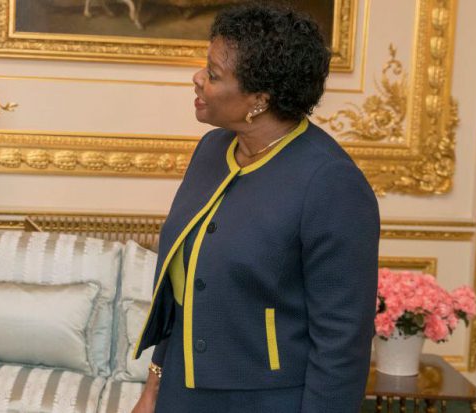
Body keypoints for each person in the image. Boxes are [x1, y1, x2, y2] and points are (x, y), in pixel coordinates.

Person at [131, 3, 380, 412]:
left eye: (212, 74)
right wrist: (154, 386)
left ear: (260, 99)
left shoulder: (331, 184)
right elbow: (184, 293)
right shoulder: (212, 151)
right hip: (181, 395)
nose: (197, 79)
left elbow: (342, 340)